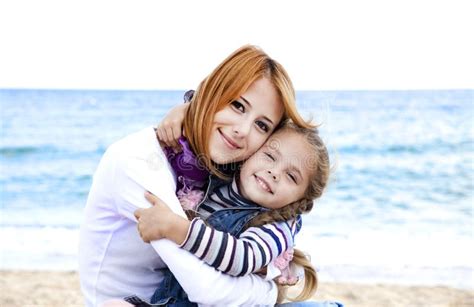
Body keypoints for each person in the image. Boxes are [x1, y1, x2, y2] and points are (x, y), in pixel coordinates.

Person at [78, 44, 314, 307]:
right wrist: (269, 291)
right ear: (212, 92)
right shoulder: (138, 160)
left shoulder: (229, 167)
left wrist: (272, 270)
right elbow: (210, 291)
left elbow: (280, 251)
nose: (243, 130)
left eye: (262, 125)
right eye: (237, 105)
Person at [131, 122, 331, 306]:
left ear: (300, 200)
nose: (274, 172)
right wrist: (180, 113)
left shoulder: (278, 227)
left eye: (291, 176)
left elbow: (242, 258)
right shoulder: (219, 179)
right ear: (252, 152)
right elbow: (203, 125)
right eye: (269, 156)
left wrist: (176, 229)